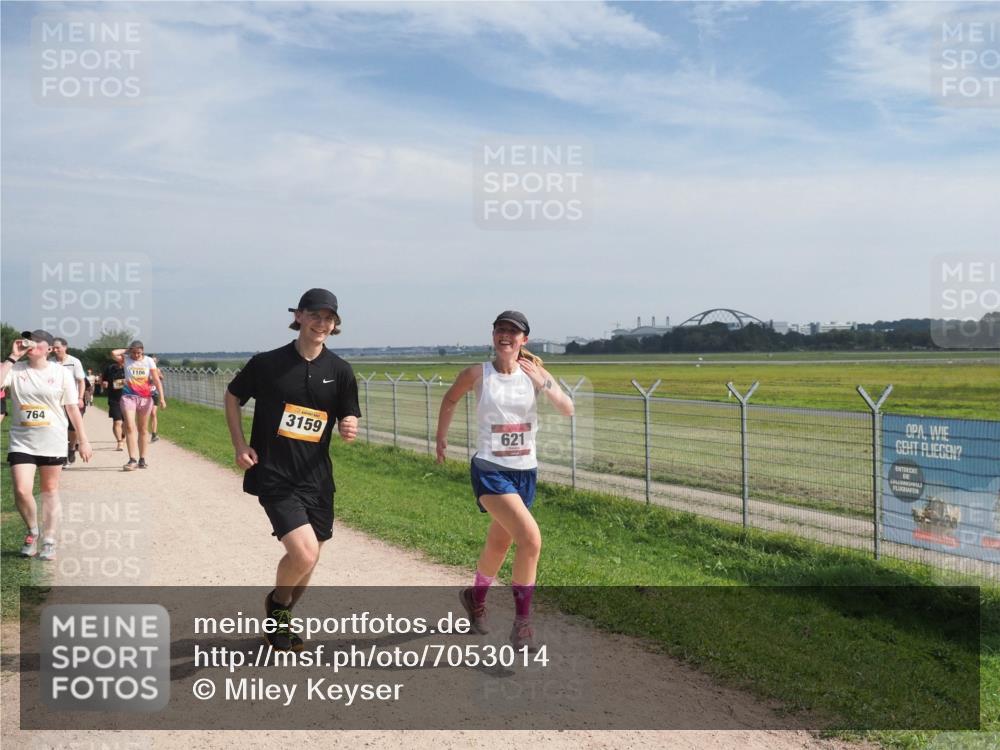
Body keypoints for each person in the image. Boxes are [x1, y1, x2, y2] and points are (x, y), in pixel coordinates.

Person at [225, 288, 360, 652]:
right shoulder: (267, 364)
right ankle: (279, 606)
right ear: (298, 316)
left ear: (335, 326)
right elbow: (233, 396)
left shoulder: (340, 371)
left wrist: (348, 423)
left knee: (311, 557)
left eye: (328, 318)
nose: (321, 323)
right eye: (314, 315)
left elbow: (348, 413)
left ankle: (280, 616)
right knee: (303, 554)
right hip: (275, 473)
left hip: (317, 478)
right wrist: (240, 445)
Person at [435, 311, 574, 650]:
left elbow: (568, 408)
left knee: (500, 544)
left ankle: (475, 596)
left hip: (525, 471)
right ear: (493, 335)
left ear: (524, 339)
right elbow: (450, 398)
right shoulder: (477, 374)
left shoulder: (535, 373)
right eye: (501, 330)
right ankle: (523, 624)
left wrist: (544, 383)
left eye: (514, 332)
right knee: (531, 539)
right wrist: (441, 438)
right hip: (490, 470)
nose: (506, 336)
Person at [2, 330, 93, 561]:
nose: (30, 344)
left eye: (36, 340)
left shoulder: (61, 373)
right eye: (27, 340)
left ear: (49, 348)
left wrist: (83, 440)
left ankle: (50, 539)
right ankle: (33, 531)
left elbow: (72, 408)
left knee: (49, 491)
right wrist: (12, 357)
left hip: (52, 440)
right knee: (22, 490)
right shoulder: (16, 369)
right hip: (22, 440)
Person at [111, 340, 166, 471]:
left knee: (142, 429)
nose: (136, 355)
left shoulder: (148, 361)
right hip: (128, 396)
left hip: (145, 398)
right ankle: (132, 459)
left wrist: (162, 398)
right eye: (134, 352)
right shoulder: (126, 359)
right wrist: (127, 350)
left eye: (139, 352)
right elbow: (113, 353)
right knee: (129, 426)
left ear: (143, 351)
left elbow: (157, 380)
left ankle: (142, 458)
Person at [50, 337, 87, 465]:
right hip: (56, 401)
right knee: (59, 426)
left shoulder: (74, 362)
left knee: (73, 427)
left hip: (73, 400)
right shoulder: (50, 362)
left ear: (65, 347)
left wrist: (80, 398)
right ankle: (62, 453)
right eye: (53, 347)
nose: (55, 350)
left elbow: (81, 381)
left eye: (57, 347)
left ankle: (71, 447)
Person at [100, 353, 127, 451]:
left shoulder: (129, 369)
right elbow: (103, 380)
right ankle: (119, 442)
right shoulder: (110, 368)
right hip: (114, 399)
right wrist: (104, 383)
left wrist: (121, 383)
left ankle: (123, 436)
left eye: (123, 356)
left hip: (128, 399)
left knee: (126, 423)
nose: (121, 358)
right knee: (117, 422)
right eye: (119, 356)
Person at [149, 356, 161, 442]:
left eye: (155, 361)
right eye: (152, 361)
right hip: (144, 394)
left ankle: (154, 434)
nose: (153, 362)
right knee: (144, 415)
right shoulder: (144, 370)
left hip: (154, 394)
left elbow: (161, 378)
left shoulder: (157, 370)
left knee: (153, 413)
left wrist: (158, 377)